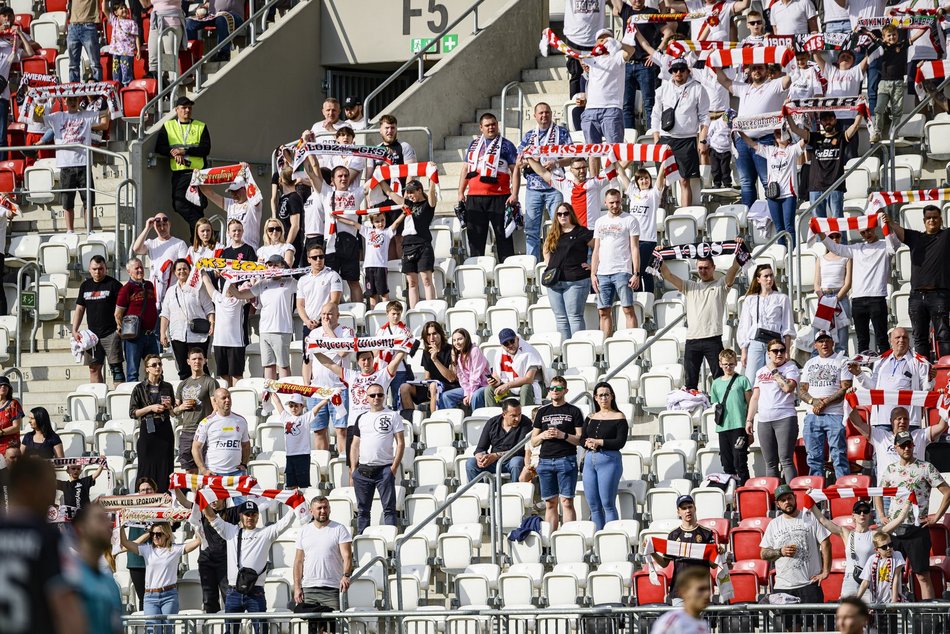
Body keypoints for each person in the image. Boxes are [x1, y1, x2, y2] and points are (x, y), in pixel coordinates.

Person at [0, 457, 87, 634]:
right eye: (48, 488)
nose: (51, 498)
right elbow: (66, 607)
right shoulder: (47, 536)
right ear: (27, 486)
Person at [203, 499, 296, 632]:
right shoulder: (231, 531)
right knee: (230, 631)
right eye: (247, 514)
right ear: (241, 516)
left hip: (256, 592)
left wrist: (297, 501)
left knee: (261, 631)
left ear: (258, 516)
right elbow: (211, 517)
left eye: (253, 514)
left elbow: (286, 522)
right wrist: (200, 497)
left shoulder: (265, 533)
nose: (250, 517)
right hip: (233, 591)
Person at [877, 431, 950, 600]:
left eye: (909, 444)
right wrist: (881, 514)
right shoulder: (890, 469)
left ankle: (928, 619)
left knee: (922, 575)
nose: (906, 448)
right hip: (895, 530)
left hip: (917, 529)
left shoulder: (926, 467)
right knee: (890, 576)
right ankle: (892, 615)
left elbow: (947, 491)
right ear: (896, 448)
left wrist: (936, 517)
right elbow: (878, 492)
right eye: (902, 445)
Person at [657, 251, 743, 390]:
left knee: (720, 379)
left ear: (713, 268)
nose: (703, 271)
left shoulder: (721, 285)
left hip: (713, 338)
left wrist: (739, 252)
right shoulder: (690, 286)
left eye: (706, 267)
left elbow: (733, 269)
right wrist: (660, 258)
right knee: (690, 382)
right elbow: (668, 275)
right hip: (692, 339)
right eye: (700, 268)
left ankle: (721, 408)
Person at [715, 65, 791, 209]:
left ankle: (772, 217)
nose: (757, 71)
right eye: (754, 68)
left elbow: (787, 80)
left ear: (767, 70)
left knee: (767, 181)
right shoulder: (745, 88)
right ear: (749, 71)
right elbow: (724, 80)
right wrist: (714, 61)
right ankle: (748, 221)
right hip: (743, 142)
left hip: (766, 141)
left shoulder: (773, 85)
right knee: (746, 183)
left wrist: (786, 57)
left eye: (760, 68)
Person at [817, 222, 899, 354]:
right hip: (858, 300)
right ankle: (863, 369)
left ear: (875, 228)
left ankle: (885, 369)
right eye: (863, 232)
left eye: (869, 230)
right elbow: (835, 248)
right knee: (862, 341)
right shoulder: (856, 248)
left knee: (882, 339)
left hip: (877, 298)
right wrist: (819, 232)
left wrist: (886, 221)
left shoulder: (885, 245)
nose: (867, 234)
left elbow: (896, 241)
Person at [33, 95, 109, 233]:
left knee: (89, 201)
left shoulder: (86, 115)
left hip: (84, 163)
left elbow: (105, 124)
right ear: (64, 101)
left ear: (79, 100)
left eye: (75, 99)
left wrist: (110, 101)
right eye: (70, 99)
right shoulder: (57, 116)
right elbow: (36, 119)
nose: (73, 102)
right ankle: (69, 231)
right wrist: (36, 107)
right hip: (66, 164)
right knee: (67, 203)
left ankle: (89, 230)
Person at [883, 208, 950, 361]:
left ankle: (946, 373)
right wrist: (887, 218)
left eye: (935, 217)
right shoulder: (915, 237)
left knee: (944, 335)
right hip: (916, 296)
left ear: (941, 219)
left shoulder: (947, 236)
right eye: (928, 218)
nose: (931, 220)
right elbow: (897, 229)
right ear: (924, 221)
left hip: (940, 295)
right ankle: (923, 373)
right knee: (920, 337)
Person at [810, 499, 910, 597]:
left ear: (869, 514)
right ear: (853, 516)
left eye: (865, 511)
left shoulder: (875, 534)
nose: (862, 514)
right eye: (858, 511)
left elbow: (899, 519)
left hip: (870, 578)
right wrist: (810, 502)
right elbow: (823, 520)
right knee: (848, 611)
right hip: (850, 578)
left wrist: (909, 501)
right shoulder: (846, 533)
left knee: (868, 612)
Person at [457, 112, 520, 261]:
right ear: (481, 128)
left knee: (503, 237)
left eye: (493, 124)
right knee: (476, 239)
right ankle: (476, 271)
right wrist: (460, 191)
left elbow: (515, 170)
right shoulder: (473, 145)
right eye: (487, 125)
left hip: (499, 197)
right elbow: (465, 169)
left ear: (497, 125)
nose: (491, 128)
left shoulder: (507, 145)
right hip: (474, 197)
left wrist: (515, 193)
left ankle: (507, 270)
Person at [314, 346, 407, 445]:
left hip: (374, 423)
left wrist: (405, 344)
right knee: (352, 458)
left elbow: (397, 360)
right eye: (363, 360)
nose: (366, 362)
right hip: (354, 425)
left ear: (373, 359)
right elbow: (330, 365)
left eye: (369, 359)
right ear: (358, 362)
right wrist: (313, 350)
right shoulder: (351, 375)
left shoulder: (382, 375)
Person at [119, 520, 200, 633]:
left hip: (169, 595)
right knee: (152, 630)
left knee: (167, 630)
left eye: (158, 534)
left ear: (167, 534)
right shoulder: (147, 549)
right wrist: (121, 525)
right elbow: (125, 543)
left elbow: (198, 542)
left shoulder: (175, 549)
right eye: (152, 534)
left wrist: (195, 522)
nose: (155, 537)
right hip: (150, 596)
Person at [230, 255, 298, 384]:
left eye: (276, 264)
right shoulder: (262, 283)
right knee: (268, 365)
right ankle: (270, 393)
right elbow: (240, 295)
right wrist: (228, 282)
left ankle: (285, 394)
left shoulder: (290, 282)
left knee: (283, 365)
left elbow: (305, 289)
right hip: (265, 330)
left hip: (282, 329)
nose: (273, 267)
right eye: (270, 265)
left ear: (283, 265)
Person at [846, 327, 931, 428]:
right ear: (890, 341)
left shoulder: (919, 361)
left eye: (904, 337)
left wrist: (929, 379)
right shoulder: (880, 361)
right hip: (882, 419)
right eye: (897, 337)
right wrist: (859, 374)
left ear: (909, 340)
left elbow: (925, 389)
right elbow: (873, 387)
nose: (901, 340)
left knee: (908, 445)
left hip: (907, 421)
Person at [760, 484, 831, 605]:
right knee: (788, 624)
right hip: (783, 585)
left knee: (815, 623)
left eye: (789, 498)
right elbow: (763, 553)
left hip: (809, 584)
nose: (787, 502)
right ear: (778, 504)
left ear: (795, 497)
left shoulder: (810, 517)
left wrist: (825, 571)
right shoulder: (773, 524)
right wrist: (780, 552)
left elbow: (826, 543)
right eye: (783, 500)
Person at [349, 383, 406, 534]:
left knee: (389, 510)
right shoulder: (361, 418)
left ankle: (390, 547)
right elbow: (355, 445)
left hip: (384, 470)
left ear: (384, 396)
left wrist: (393, 468)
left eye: (380, 395)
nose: (376, 398)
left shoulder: (393, 415)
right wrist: (353, 470)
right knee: (363, 511)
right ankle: (363, 543)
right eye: (373, 395)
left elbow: (401, 443)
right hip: (363, 471)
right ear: (366, 398)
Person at [517, 102, 570, 260]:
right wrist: (532, 161)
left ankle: (557, 263)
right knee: (531, 229)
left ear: (551, 114)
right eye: (540, 113)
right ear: (535, 116)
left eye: (547, 112)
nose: (544, 115)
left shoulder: (561, 133)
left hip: (555, 186)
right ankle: (532, 266)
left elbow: (572, 156)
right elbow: (519, 160)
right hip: (533, 187)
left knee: (559, 226)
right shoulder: (529, 136)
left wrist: (556, 163)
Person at [652, 58, 708, 207]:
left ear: (688, 71)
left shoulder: (697, 88)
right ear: (671, 72)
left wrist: (702, 140)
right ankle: (659, 217)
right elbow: (656, 115)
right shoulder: (662, 89)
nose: (678, 73)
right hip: (666, 138)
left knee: (684, 180)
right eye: (675, 70)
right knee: (661, 180)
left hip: (687, 139)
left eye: (682, 69)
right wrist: (656, 137)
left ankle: (685, 214)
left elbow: (704, 117)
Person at [787, 112, 863, 221]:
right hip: (816, 187)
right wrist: (788, 114)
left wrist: (860, 109)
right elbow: (795, 129)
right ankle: (821, 240)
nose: (827, 121)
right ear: (820, 122)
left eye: (830, 118)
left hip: (835, 186)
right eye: (824, 119)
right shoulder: (814, 137)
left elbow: (855, 125)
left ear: (835, 120)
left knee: (838, 222)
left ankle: (842, 239)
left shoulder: (841, 136)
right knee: (819, 225)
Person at [531, 377, 584, 531]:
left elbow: (580, 439)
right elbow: (533, 441)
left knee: (567, 501)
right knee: (550, 503)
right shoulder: (542, 411)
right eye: (551, 388)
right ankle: (551, 540)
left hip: (566, 459)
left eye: (558, 388)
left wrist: (563, 435)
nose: (554, 391)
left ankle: (568, 538)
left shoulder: (573, 411)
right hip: (545, 460)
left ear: (565, 391)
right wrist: (543, 436)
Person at [736, 127, 804, 247]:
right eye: (776, 133)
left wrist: (801, 126)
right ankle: (782, 254)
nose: (778, 134)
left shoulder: (793, 150)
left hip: (789, 194)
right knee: (779, 229)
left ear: (789, 137)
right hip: (773, 195)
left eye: (782, 132)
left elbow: (806, 138)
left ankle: (793, 255)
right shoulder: (769, 150)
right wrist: (740, 132)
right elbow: (751, 144)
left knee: (789, 227)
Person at [849, 406, 948, 488]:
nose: (902, 421)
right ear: (891, 421)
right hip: (888, 493)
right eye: (898, 418)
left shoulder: (920, 435)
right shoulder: (880, 436)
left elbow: (941, 426)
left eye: (905, 418)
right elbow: (858, 423)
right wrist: (850, 400)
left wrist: (947, 402)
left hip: (913, 493)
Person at [800, 331, 852, 478]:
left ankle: (844, 490)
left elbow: (845, 387)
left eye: (827, 340)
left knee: (839, 455)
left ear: (832, 342)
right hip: (812, 414)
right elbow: (802, 389)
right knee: (813, 457)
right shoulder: (810, 363)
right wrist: (813, 401)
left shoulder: (843, 360)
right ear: (815, 345)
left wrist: (824, 403)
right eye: (820, 341)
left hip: (834, 414)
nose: (824, 344)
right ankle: (816, 492)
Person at [155, 97, 211, 232]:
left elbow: (205, 149)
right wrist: (173, 152)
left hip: (197, 173)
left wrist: (184, 151)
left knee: (198, 206)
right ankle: (205, 230)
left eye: (189, 108)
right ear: (176, 110)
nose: (187, 110)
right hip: (179, 173)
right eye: (184, 108)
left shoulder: (200, 126)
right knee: (179, 204)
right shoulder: (169, 126)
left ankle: (198, 240)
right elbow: (159, 147)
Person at [293, 497, 353, 622]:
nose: (322, 511)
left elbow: (347, 556)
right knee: (313, 629)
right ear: (311, 511)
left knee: (331, 627)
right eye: (319, 508)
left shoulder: (339, 529)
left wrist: (346, 575)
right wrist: (297, 587)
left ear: (329, 509)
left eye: (325, 507)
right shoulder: (304, 531)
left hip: (331, 588)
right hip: (309, 588)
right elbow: (298, 562)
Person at [380, 178, 438, 307]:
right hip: (407, 245)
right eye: (408, 192)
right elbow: (390, 192)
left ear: (419, 190)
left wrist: (433, 178)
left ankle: (431, 308)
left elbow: (432, 192)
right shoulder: (407, 203)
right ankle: (414, 311)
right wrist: (379, 177)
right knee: (411, 283)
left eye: (412, 192)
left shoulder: (428, 204)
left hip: (423, 244)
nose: (409, 195)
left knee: (426, 280)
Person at [747, 340, 800, 482]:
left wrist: (774, 371)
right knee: (770, 463)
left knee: (786, 460)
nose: (779, 354)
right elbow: (755, 397)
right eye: (775, 351)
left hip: (784, 417)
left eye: (782, 350)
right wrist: (749, 419)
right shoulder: (760, 371)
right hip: (764, 419)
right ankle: (774, 500)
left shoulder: (791, 368)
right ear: (768, 353)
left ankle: (791, 497)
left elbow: (788, 388)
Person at [650, 495, 717, 607]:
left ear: (695, 508)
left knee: (697, 623)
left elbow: (714, 565)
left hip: (699, 590)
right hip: (679, 591)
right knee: (681, 624)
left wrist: (718, 553)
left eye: (690, 507)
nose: (687, 511)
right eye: (684, 508)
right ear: (678, 512)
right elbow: (664, 563)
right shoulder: (674, 535)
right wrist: (652, 551)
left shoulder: (706, 533)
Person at [313, 162, 367, 302]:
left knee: (353, 282)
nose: (344, 178)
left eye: (346, 175)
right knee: (332, 283)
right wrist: (306, 148)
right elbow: (312, 174)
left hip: (350, 246)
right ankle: (335, 314)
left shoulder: (356, 193)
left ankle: (358, 319)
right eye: (340, 176)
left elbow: (376, 179)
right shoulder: (327, 193)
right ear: (332, 180)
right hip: (331, 246)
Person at [591, 189, 640, 337]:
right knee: (603, 311)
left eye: (617, 202)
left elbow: (634, 247)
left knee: (628, 309)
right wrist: (593, 273)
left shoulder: (630, 220)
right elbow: (596, 249)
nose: (615, 205)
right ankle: (606, 345)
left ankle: (633, 343)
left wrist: (636, 272)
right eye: (611, 202)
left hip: (622, 270)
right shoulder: (600, 222)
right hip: (602, 272)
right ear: (605, 203)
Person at [542, 203, 594, 340]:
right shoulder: (554, 232)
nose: (563, 216)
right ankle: (566, 352)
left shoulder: (582, 231)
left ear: (571, 214)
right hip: (554, 281)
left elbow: (599, 247)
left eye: (565, 213)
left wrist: (593, 266)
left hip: (576, 280)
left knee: (574, 317)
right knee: (560, 319)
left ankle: (578, 350)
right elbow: (546, 249)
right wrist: (549, 265)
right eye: (559, 214)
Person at [306, 303, 354, 452]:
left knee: (341, 430)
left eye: (330, 314)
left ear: (338, 315)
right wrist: (307, 384)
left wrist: (327, 330)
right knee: (319, 431)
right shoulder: (314, 334)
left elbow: (342, 353)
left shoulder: (346, 332)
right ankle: (323, 470)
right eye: (323, 314)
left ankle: (343, 463)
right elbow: (307, 361)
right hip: (317, 390)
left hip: (339, 389)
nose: (326, 317)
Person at [581, 381, 629, 530]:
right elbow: (582, 438)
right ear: (595, 398)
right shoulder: (590, 417)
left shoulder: (619, 416)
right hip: (590, 460)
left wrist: (599, 441)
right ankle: (598, 538)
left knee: (607, 503)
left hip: (609, 459)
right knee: (594, 505)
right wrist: (587, 443)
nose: (604, 398)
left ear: (612, 396)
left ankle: (611, 536)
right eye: (600, 395)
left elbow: (620, 442)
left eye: (606, 395)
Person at [737, 264, 795, 384]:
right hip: (756, 342)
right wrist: (744, 351)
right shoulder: (750, 299)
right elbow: (744, 325)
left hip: (775, 343)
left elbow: (787, 325)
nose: (769, 279)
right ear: (758, 279)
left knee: (774, 379)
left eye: (771, 276)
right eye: (766, 276)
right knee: (751, 380)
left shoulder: (782, 298)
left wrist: (787, 350)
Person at [335, 210, 406, 307]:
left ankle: (386, 312)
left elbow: (396, 223)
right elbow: (353, 223)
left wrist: (404, 213)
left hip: (381, 266)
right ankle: (374, 312)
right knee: (372, 293)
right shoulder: (368, 231)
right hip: (368, 267)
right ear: (372, 222)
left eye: (382, 220)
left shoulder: (387, 232)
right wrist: (338, 218)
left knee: (384, 292)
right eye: (377, 221)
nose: (380, 223)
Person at [72, 502, 124, 634]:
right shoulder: (69, 577)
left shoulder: (110, 582)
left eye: (107, 519)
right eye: (100, 519)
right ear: (81, 528)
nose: (109, 524)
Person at [74, 255, 126, 384]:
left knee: (116, 368)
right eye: (95, 269)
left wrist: (120, 326)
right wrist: (74, 330)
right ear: (90, 270)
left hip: (111, 333)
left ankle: (118, 400)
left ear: (106, 269)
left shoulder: (114, 285)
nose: (98, 272)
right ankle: (98, 400)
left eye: (101, 269)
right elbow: (80, 309)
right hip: (92, 335)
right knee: (93, 368)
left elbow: (124, 307)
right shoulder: (85, 286)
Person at [160, 259, 215, 379]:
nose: (182, 271)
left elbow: (209, 308)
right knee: (183, 369)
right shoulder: (170, 291)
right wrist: (162, 332)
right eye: (179, 269)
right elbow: (165, 314)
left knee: (200, 367)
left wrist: (212, 323)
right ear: (175, 272)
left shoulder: (198, 288)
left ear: (190, 271)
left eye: (185, 268)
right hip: (178, 335)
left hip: (198, 336)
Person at [523, 155, 614, 228]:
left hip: (591, 232)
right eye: (578, 168)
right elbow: (542, 173)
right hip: (573, 233)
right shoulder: (565, 185)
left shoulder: (595, 182)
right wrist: (528, 157)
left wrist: (621, 151)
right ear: (571, 170)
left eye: (584, 167)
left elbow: (616, 169)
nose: (582, 171)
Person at [297, 243, 343, 386]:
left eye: (321, 257)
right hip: (308, 325)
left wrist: (319, 320)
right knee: (307, 357)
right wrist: (307, 320)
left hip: (326, 323)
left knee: (329, 355)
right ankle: (307, 388)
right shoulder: (303, 279)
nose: (318, 260)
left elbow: (334, 300)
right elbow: (300, 305)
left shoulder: (332, 275)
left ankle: (332, 385)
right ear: (308, 259)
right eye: (315, 257)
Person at [612, 0, 662, 129]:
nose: (636, 1)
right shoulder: (626, 10)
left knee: (649, 103)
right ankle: (629, 137)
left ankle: (652, 134)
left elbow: (668, 33)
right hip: (627, 63)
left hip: (644, 64)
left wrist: (656, 54)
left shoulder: (652, 12)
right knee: (626, 105)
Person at [130, 354, 176, 491]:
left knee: (165, 466)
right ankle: (144, 496)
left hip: (164, 427)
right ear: (147, 369)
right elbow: (133, 412)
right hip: (148, 428)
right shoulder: (139, 388)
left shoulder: (167, 386)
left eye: (160, 364)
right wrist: (151, 408)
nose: (158, 367)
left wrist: (170, 407)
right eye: (154, 365)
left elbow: (173, 411)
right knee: (146, 466)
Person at [616, 167, 665, 294]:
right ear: (637, 181)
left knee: (644, 271)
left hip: (648, 239)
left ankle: (647, 297)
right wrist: (615, 160)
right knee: (635, 270)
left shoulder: (653, 194)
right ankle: (638, 298)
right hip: (633, 239)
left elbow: (660, 179)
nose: (644, 181)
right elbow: (622, 174)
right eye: (641, 179)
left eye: (646, 178)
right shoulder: (633, 193)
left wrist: (664, 162)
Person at [580, 29, 630, 149]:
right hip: (590, 110)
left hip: (611, 109)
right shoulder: (591, 58)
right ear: (596, 43)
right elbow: (575, 52)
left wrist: (618, 44)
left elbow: (631, 50)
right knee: (592, 152)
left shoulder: (617, 56)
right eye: (601, 39)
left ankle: (615, 169)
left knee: (615, 150)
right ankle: (594, 169)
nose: (605, 41)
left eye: (608, 38)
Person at [709, 349, 752, 486]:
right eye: (726, 364)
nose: (728, 367)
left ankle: (746, 491)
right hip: (723, 426)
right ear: (720, 364)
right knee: (727, 463)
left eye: (732, 364)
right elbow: (716, 403)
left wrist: (749, 425)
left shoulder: (742, 380)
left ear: (736, 364)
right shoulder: (716, 383)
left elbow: (750, 404)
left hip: (739, 425)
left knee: (740, 461)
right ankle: (731, 492)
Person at [199, 267, 248, 387]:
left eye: (232, 286)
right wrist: (201, 270)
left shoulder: (240, 300)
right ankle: (225, 399)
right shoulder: (218, 298)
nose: (229, 288)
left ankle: (237, 399)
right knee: (223, 375)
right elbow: (208, 283)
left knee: (236, 375)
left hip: (236, 343)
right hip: (219, 343)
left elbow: (254, 287)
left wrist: (226, 275)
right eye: (227, 285)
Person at [471, 328, 543, 408]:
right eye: (506, 343)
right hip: (510, 387)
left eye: (512, 341)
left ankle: (525, 417)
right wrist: (495, 381)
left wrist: (507, 385)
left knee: (526, 388)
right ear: (502, 345)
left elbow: (529, 379)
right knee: (489, 390)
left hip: (533, 386)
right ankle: (494, 418)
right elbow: (496, 375)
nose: (510, 345)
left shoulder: (530, 352)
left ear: (517, 338)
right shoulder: (499, 353)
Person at [172, 348, 219, 472]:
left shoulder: (210, 382)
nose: (197, 361)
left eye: (200, 359)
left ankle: (204, 492)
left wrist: (206, 424)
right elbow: (174, 411)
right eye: (194, 359)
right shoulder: (183, 384)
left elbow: (216, 408)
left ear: (205, 361)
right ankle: (194, 492)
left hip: (205, 431)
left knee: (206, 468)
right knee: (189, 470)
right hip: (187, 431)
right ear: (188, 361)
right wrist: (181, 407)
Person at [131, 213, 189, 311]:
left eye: (164, 225)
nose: (162, 228)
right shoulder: (151, 243)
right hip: (154, 293)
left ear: (169, 224)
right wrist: (147, 228)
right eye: (158, 225)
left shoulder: (179, 243)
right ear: (154, 227)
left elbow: (184, 267)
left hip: (172, 291)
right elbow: (136, 249)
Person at [466, 398, 532, 483]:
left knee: (517, 462)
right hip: (493, 462)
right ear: (504, 414)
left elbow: (520, 450)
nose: (518, 419)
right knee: (471, 463)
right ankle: (481, 492)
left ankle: (515, 492)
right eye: (513, 416)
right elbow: (480, 448)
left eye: (519, 414)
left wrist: (496, 455)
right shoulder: (492, 423)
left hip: (512, 460)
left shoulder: (526, 423)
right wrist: (480, 457)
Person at [400, 321, 458, 416]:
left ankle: (433, 421)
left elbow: (451, 378)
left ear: (440, 334)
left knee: (433, 386)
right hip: (432, 387)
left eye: (434, 334)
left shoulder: (451, 350)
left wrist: (435, 359)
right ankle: (411, 420)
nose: (431, 338)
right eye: (428, 335)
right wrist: (427, 382)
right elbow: (427, 376)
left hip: (449, 386)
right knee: (404, 387)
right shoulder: (426, 352)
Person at [271, 393, 328, 489]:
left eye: (296, 406)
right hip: (290, 456)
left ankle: (303, 502)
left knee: (303, 486)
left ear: (302, 406)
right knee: (291, 485)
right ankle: (295, 503)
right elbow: (278, 403)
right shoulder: (286, 417)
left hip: (303, 455)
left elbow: (317, 408)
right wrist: (271, 390)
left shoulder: (305, 418)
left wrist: (326, 399)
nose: (293, 408)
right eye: (291, 406)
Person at [192, 388, 251, 477]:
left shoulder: (241, 420)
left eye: (229, 397)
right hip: (214, 472)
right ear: (215, 401)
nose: (227, 400)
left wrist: (244, 464)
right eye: (223, 398)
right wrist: (203, 470)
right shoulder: (206, 422)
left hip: (236, 473)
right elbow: (196, 448)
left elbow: (246, 445)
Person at [814, 231, 853, 351]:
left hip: (840, 298)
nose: (834, 239)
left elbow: (848, 284)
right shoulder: (820, 259)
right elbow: (816, 284)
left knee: (842, 339)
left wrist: (836, 299)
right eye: (831, 236)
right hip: (824, 297)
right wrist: (823, 299)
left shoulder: (847, 257)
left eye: (837, 236)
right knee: (819, 335)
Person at [201, 173, 262, 250]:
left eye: (236, 191)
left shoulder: (252, 203)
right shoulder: (230, 203)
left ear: (245, 189)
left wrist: (247, 174)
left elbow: (255, 194)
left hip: (249, 251)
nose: (233, 194)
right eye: (231, 191)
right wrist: (198, 178)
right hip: (231, 250)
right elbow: (210, 193)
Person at [648, 566, 712, 634]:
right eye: (701, 589)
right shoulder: (673, 621)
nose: (707, 594)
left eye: (708, 589)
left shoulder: (702, 623)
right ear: (684, 592)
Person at [438, 328, 489, 410]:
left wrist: (470, 394)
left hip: (482, 385)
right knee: (446, 396)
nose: (456, 343)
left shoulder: (475, 351)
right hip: (469, 387)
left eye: (460, 339)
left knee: (475, 395)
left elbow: (475, 376)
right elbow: (462, 378)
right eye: (454, 340)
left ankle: (476, 419)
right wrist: (466, 393)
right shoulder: (458, 355)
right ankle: (454, 420)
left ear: (466, 339)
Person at [274, 167, 305, 266]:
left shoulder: (294, 197)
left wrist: (287, 246)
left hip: (291, 244)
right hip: (281, 242)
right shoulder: (283, 197)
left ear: (282, 180)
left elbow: (295, 225)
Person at [66, 0, 102, 83]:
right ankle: (74, 93)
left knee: (94, 64)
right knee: (73, 65)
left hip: (88, 26)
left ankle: (97, 93)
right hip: (73, 25)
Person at [108, 2, 140, 86]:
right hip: (116, 52)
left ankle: (126, 88)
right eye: (121, 8)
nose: (124, 9)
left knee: (126, 73)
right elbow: (104, 9)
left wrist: (139, 50)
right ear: (116, 13)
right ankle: (117, 90)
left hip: (127, 52)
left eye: (125, 7)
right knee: (116, 73)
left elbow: (136, 37)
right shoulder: (114, 21)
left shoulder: (132, 23)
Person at [0, 375, 23, 454]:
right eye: (1, 384)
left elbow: (16, 427)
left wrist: (1, 432)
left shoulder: (13, 404)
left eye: (6, 385)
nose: (3, 386)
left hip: (9, 446)